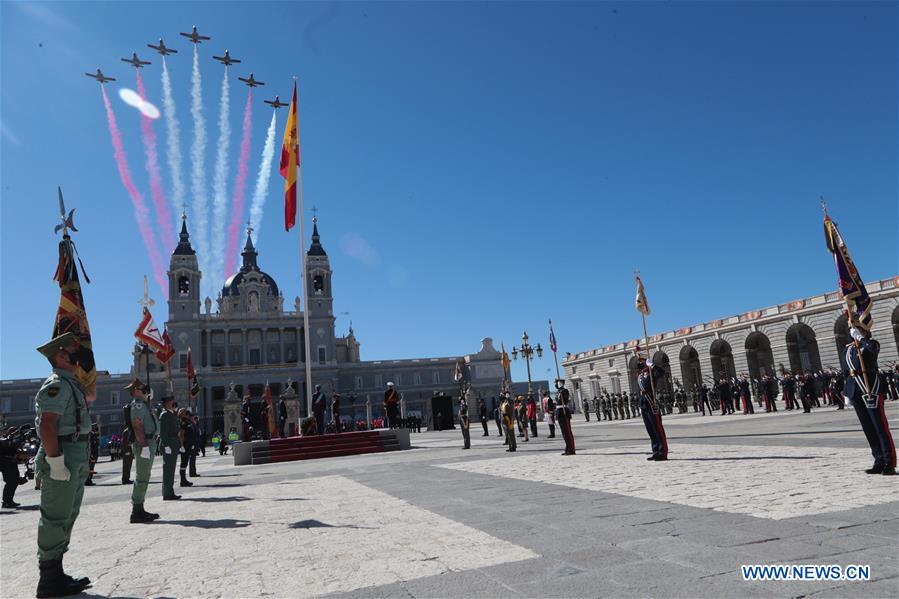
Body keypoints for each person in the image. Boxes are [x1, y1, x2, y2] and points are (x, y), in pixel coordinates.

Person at [33, 332, 93, 597]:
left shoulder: (70, 384)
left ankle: (56, 573)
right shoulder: (56, 385)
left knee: (68, 515)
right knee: (55, 516)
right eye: (72, 348)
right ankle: (48, 581)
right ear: (60, 355)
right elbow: (47, 423)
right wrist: (55, 461)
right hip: (63, 454)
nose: (78, 351)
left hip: (74, 453)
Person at [844, 325, 896, 475]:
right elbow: (845, 372)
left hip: (870, 388)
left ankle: (889, 462)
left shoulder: (871, 344)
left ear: (865, 331)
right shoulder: (847, 350)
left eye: (859, 330)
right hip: (855, 390)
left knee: (880, 427)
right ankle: (878, 460)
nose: (855, 332)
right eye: (854, 331)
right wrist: (846, 392)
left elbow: (873, 349)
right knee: (868, 428)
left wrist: (861, 338)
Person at [126, 379, 161, 524]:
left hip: (148, 442)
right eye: (144, 390)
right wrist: (144, 446)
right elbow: (137, 426)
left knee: (144, 476)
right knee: (142, 477)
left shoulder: (143, 404)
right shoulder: (138, 404)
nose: (147, 392)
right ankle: (136, 511)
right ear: (137, 391)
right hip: (144, 443)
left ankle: (139, 509)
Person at [637, 354, 669, 461]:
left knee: (657, 429)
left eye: (642, 361)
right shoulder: (640, 376)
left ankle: (662, 452)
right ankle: (655, 451)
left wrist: (653, 365)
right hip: (644, 406)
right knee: (650, 430)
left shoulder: (652, 373)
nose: (640, 363)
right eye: (639, 361)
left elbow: (662, 373)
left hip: (652, 405)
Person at [158, 395, 181, 500]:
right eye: (172, 402)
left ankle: (170, 492)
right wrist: (166, 445)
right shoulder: (165, 415)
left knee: (171, 470)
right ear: (167, 403)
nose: (173, 404)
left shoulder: (170, 414)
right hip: (169, 445)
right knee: (168, 470)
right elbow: (163, 432)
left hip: (173, 444)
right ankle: (167, 493)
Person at [1, 429, 27, 508]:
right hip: (7, 465)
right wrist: (13, 457)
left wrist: (19, 457)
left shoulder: (12, 442)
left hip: (12, 464)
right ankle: (6, 502)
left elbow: (15, 452)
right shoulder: (4, 441)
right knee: (11, 482)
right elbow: (4, 455)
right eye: (12, 432)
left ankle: (9, 501)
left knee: (14, 481)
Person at [555, 381, 576, 456]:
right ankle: (567, 448)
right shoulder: (558, 392)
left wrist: (562, 391)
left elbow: (565, 399)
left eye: (557, 383)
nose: (556, 384)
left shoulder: (564, 391)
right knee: (564, 432)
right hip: (559, 413)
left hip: (564, 413)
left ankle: (572, 449)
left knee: (568, 432)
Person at [177, 408, 194, 488]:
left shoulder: (187, 421)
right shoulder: (182, 422)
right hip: (185, 445)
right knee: (183, 463)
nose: (186, 413)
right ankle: (182, 480)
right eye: (184, 412)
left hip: (189, 445)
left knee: (185, 462)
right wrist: (181, 446)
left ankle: (184, 480)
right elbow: (181, 434)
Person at [120, 401, 134, 484]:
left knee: (128, 466)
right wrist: (127, 451)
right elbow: (124, 443)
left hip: (129, 451)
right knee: (126, 466)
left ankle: (126, 478)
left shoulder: (128, 431)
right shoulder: (126, 432)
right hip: (127, 451)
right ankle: (125, 479)